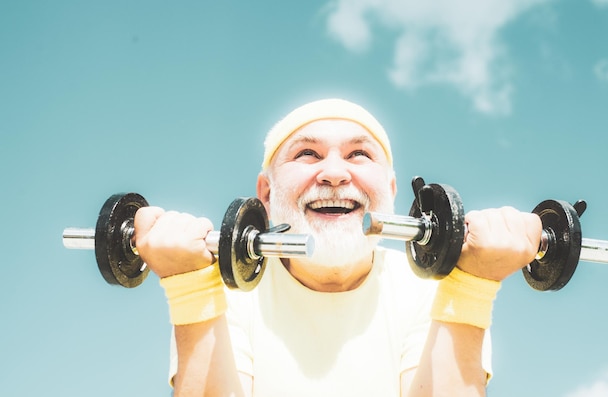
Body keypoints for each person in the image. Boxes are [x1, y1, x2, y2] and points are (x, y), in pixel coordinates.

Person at [134, 98, 542, 397]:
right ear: (265, 193)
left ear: (392, 190)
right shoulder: (219, 296)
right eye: (307, 154)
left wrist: (474, 285)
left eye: (358, 154)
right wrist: (188, 287)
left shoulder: (437, 294)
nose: (332, 173)